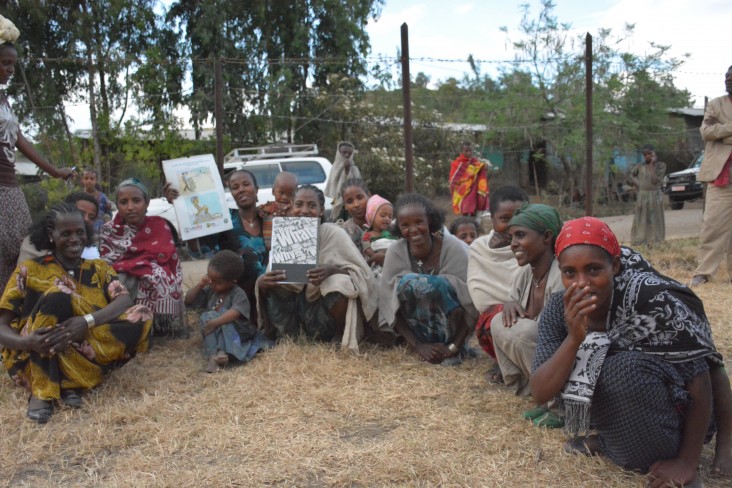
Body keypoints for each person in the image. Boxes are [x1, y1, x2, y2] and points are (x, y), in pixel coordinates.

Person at [531, 216, 732, 486]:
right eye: (570, 272)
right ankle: (612, 441)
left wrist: (688, 461)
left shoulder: (652, 300)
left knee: (622, 368)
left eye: (593, 270)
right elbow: (540, 391)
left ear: (614, 266)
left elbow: (705, 371)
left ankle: (670, 458)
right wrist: (573, 340)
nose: (582, 283)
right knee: (590, 365)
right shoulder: (560, 308)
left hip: (675, 413)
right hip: (621, 412)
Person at [0, 203, 152, 423]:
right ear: (51, 235)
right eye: (66, 233)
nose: (75, 239)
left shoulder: (98, 268)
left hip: (84, 343)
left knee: (142, 314)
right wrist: (28, 343)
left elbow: (124, 299)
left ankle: (72, 382)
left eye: (80, 232)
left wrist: (86, 321)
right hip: (34, 352)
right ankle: (42, 391)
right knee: (59, 295)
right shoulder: (29, 269)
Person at [0, 17, 75, 291]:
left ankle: (9, 316)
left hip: (9, 188)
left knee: (18, 249)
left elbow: (18, 138)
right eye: (5, 64)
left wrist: (54, 170)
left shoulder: (3, 100)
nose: (10, 70)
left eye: (12, 65)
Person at [256, 185, 375, 351]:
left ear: (321, 211)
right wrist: (262, 282)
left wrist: (332, 270)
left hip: (323, 317)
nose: (304, 210)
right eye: (299, 205)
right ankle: (286, 337)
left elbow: (362, 274)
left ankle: (338, 336)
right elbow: (270, 278)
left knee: (340, 282)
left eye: (312, 206)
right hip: (293, 314)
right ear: (291, 208)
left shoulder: (334, 234)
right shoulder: (284, 234)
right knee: (271, 282)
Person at [379, 193, 477, 365]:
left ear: (430, 221)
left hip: (452, 333)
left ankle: (449, 351)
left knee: (430, 284)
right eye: (406, 225)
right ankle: (425, 347)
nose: (413, 229)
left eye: (419, 222)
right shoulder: (395, 251)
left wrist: (453, 347)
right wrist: (418, 346)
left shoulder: (452, 247)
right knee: (409, 283)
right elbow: (388, 303)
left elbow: (471, 303)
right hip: (417, 335)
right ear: (399, 228)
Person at [165, 169, 268, 323]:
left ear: (256, 188)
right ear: (231, 193)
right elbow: (198, 251)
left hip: (268, 288)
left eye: (246, 184)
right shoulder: (223, 220)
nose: (241, 189)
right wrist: (180, 207)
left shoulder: (269, 218)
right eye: (235, 187)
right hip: (236, 294)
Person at [490, 203, 564, 415]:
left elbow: (556, 336)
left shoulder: (562, 274)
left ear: (547, 237)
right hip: (544, 368)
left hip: (565, 366)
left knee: (524, 332)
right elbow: (513, 309)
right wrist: (509, 304)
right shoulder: (525, 274)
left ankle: (559, 405)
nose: (513, 244)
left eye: (520, 235)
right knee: (499, 320)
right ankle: (532, 390)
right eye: (512, 237)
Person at [100, 178, 186, 338]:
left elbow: (170, 258)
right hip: (122, 288)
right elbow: (104, 265)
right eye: (123, 202)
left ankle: (160, 324)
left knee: (158, 274)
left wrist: (144, 267)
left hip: (152, 276)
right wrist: (136, 267)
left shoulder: (160, 225)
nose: (130, 207)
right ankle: (126, 324)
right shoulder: (107, 231)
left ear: (147, 203)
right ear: (117, 206)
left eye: (136, 200)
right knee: (120, 278)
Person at [467, 186, 529, 378]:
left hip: (531, 312)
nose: (513, 225)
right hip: (499, 315)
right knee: (496, 320)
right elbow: (481, 298)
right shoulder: (479, 248)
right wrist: (508, 305)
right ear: (492, 219)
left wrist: (522, 304)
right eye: (505, 219)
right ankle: (504, 364)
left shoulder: (534, 246)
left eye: (520, 217)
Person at [185, 250, 273, 373]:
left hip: (236, 332)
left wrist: (215, 322)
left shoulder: (238, 293)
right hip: (214, 331)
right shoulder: (210, 289)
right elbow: (188, 300)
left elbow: (235, 312)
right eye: (210, 279)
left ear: (233, 282)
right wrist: (199, 285)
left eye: (218, 282)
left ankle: (222, 352)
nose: (213, 284)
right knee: (207, 317)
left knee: (222, 315)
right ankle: (213, 357)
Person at [691, 65, 732, 287]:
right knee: (712, 226)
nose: (728, 81)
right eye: (727, 78)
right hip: (721, 178)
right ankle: (704, 273)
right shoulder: (716, 104)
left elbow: (718, 133)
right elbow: (707, 132)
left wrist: (724, 133)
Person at [18, 192, 101, 263]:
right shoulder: (33, 248)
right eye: (81, 213)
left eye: (91, 217)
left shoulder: (91, 251)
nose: (86, 219)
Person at [629, 144, 665, 245]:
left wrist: (651, 166)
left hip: (655, 195)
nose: (647, 156)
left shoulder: (661, 166)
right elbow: (632, 174)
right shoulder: (640, 166)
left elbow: (654, 180)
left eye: (649, 154)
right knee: (641, 217)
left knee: (655, 218)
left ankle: (655, 240)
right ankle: (640, 240)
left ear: (654, 154)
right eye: (645, 154)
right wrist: (639, 184)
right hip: (643, 195)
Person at [257, 171, 298, 250]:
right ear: (273, 191)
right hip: (269, 250)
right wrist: (257, 210)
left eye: (291, 194)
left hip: (289, 250)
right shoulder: (267, 207)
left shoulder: (295, 210)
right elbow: (255, 211)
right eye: (281, 193)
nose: (285, 197)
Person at [449, 141, 489, 216]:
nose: (469, 153)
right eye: (466, 151)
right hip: (463, 191)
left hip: (474, 191)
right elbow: (453, 180)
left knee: (474, 210)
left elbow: (479, 170)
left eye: (470, 151)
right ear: (461, 151)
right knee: (465, 210)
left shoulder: (475, 161)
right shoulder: (457, 164)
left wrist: (484, 167)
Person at [325, 142, 362, 221]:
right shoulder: (335, 167)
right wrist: (342, 167)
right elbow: (334, 182)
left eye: (349, 153)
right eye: (344, 152)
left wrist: (348, 170)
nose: (347, 155)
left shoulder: (354, 169)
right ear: (339, 153)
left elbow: (357, 185)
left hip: (351, 202)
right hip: (337, 200)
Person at [361, 194, 397, 276]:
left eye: (390, 216)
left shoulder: (391, 233)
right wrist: (376, 257)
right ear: (371, 216)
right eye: (383, 215)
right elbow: (367, 249)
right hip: (376, 264)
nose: (387, 219)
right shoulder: (367, 234)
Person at [336, 178, 370, 252]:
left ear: (369, 196)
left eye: (360, 198)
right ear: (345, 205)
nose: (356, 205)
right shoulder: (342, 233)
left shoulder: (383, 224)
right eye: (349, 201)